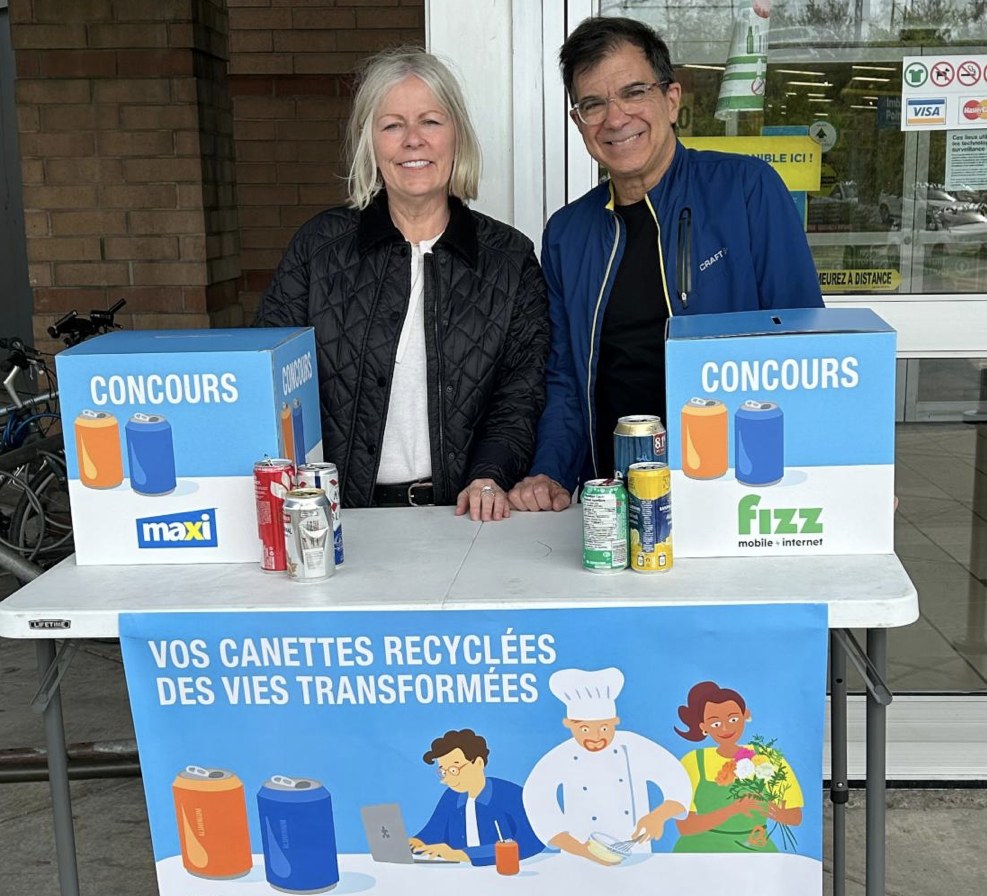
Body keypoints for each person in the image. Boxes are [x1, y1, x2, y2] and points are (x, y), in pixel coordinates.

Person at [508, 17, 822, 512]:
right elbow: (564, 377)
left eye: (633, 92)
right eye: (593, 104)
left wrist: (837, 471)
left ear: (671, 99)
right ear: (579, 122)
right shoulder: (568, 233)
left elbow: (805, 348)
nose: (615, 118)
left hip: (737, 490)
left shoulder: (746, 190)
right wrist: (549, 471)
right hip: (615, 496)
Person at [254, 48, 549, 521]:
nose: (413, 140)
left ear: (457, 135)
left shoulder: (508, 258)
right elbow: (269, 382)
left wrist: (490, 474)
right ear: (369, 143)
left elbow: (521, 392)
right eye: (392, 125)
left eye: (430, 121)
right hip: (337, 520)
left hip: (465, 518)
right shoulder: (319, 248)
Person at [522, 667, 690, 864]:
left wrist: (659, 815)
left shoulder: (634, 746)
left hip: (637, 854)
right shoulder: (559, 757)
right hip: (578, 859)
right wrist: (583, 851)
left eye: (604, 728)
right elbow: (538, 803)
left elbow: (675, 777)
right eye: (584, 729)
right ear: (569, 724)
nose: (595, 737)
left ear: (615, 722)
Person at [671, 681, 803, 853]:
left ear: (745, 715)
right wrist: (732, 810)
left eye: (733, 719)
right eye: (715, 723)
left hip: (753, 845)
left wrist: (777, 814)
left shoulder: (767, 757)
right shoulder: (694, 761)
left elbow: (795, 817)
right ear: (704, 727)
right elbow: (685, 826)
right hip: (699, 848)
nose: (725, 728)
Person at [409, 729, 544, 865]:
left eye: (454, 770)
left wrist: (463, 855)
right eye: (443, 772)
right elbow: (433, 832)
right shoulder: (451, 797)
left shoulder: (511, 795)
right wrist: (415, 843)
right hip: (458, 874)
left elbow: (531, 842)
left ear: (478, 763)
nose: (446, 780)